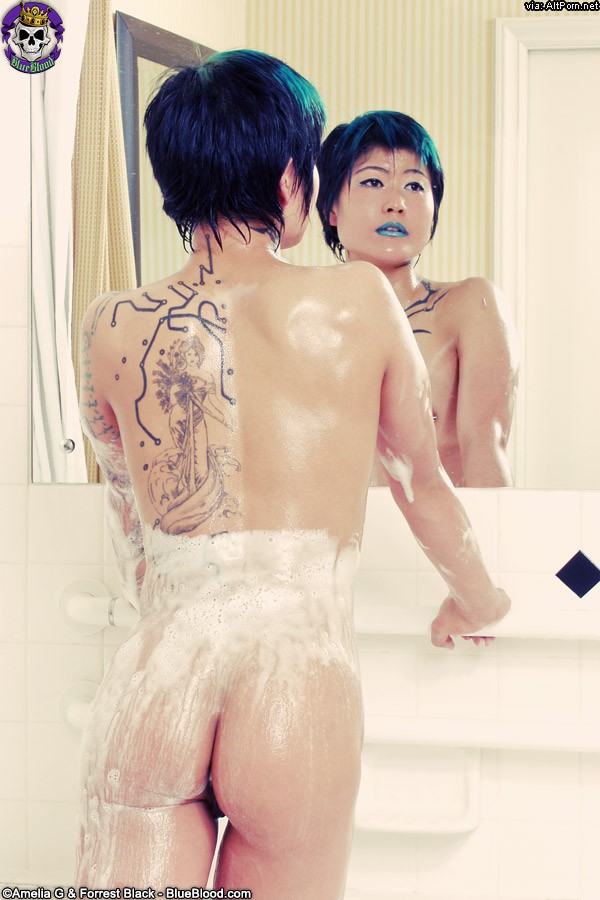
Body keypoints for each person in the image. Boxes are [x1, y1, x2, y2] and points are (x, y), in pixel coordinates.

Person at [76, 51, 510, 898]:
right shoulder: (358, 299)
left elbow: (129, 517)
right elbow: (420, 484)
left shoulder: (109, 324)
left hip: (153, 681)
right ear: (290, 179)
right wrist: (479, 599)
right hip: (294, 688)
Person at [316, 110, 519, 487]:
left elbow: (485, 446)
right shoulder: (303, 317)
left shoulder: (469, 306)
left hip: (444, 522)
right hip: (334, 525)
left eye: (415, 185)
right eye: (373, 181)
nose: (396, 203)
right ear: (331, 208)